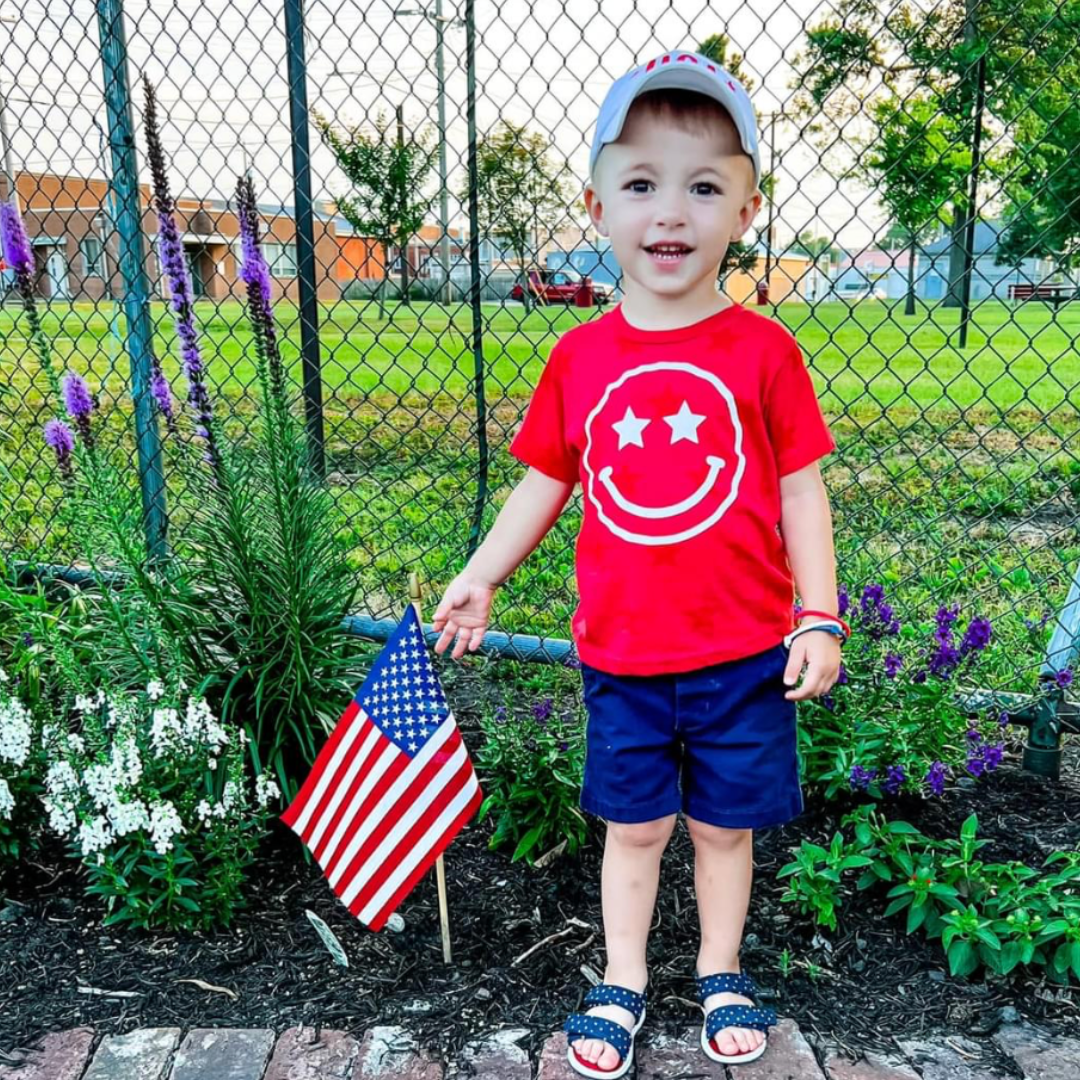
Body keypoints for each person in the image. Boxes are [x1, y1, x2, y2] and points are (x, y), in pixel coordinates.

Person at [433, 50, 844, 1078]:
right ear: (598, 206)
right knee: (636, 828)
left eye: (704, 187)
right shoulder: (579, 358)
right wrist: (484, 573)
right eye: (642, 184)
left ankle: (719, 969)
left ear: (746, 210)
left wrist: (820, 613)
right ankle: (622, 976)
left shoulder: (765, 352)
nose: (671, 212)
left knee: (723, 831)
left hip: (743, 656)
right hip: (623, 656)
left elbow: (801, 490)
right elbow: (544, 481)